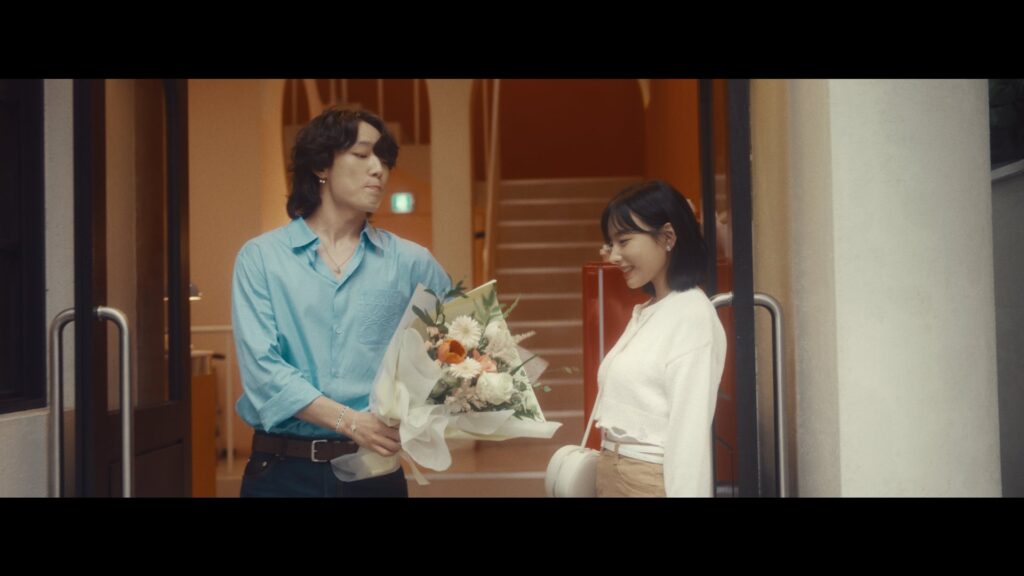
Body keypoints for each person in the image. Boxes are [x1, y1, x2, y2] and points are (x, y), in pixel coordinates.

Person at [231, 107, 451, 497]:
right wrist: (350, 421)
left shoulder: (411, 262)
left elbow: (465, 345)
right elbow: (263, 372)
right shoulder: (261, 258)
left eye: (384, 159)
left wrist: (422, 412)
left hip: (372, 471)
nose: (378, 169)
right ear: (322, 166)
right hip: (281, 472)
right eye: (362, 154)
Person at [593, 180, 726, 497]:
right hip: (615, 473)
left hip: (646, 481)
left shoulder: (691, 314)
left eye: (624, 241)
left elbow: (690, 434)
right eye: (611, 244)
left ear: (667, 237)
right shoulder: (652, 310)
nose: (614, 256)